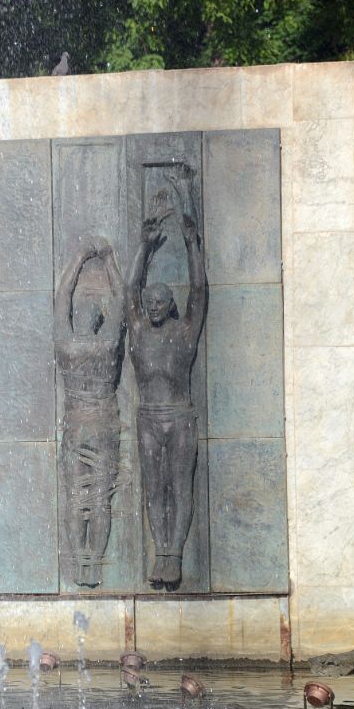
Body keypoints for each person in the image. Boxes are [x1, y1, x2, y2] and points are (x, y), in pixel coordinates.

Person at [126, 165, 207, 590]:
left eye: (161, 300)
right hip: (148, 417)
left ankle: (175, 553)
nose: (153, 304)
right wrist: (145, 246)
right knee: (154, 488)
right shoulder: (138, 331)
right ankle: (161, 551)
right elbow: (128, 291)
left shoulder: (184, 332)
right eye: (150, 300)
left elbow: (198, 290)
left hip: (180, 415)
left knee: (181, 484)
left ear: (170, 305)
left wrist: (192, 244)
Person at [55, 236, 126, 588]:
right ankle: (95, 565)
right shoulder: (108, 345)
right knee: (100, 498)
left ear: (75, 319)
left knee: (73, 496)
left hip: (75, 425)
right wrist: (110, 260)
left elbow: (61, 296)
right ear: (97, 321)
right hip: (104, 426)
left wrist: (79, 256)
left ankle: (78, 562)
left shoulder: (66, 345)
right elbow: (122, 301)